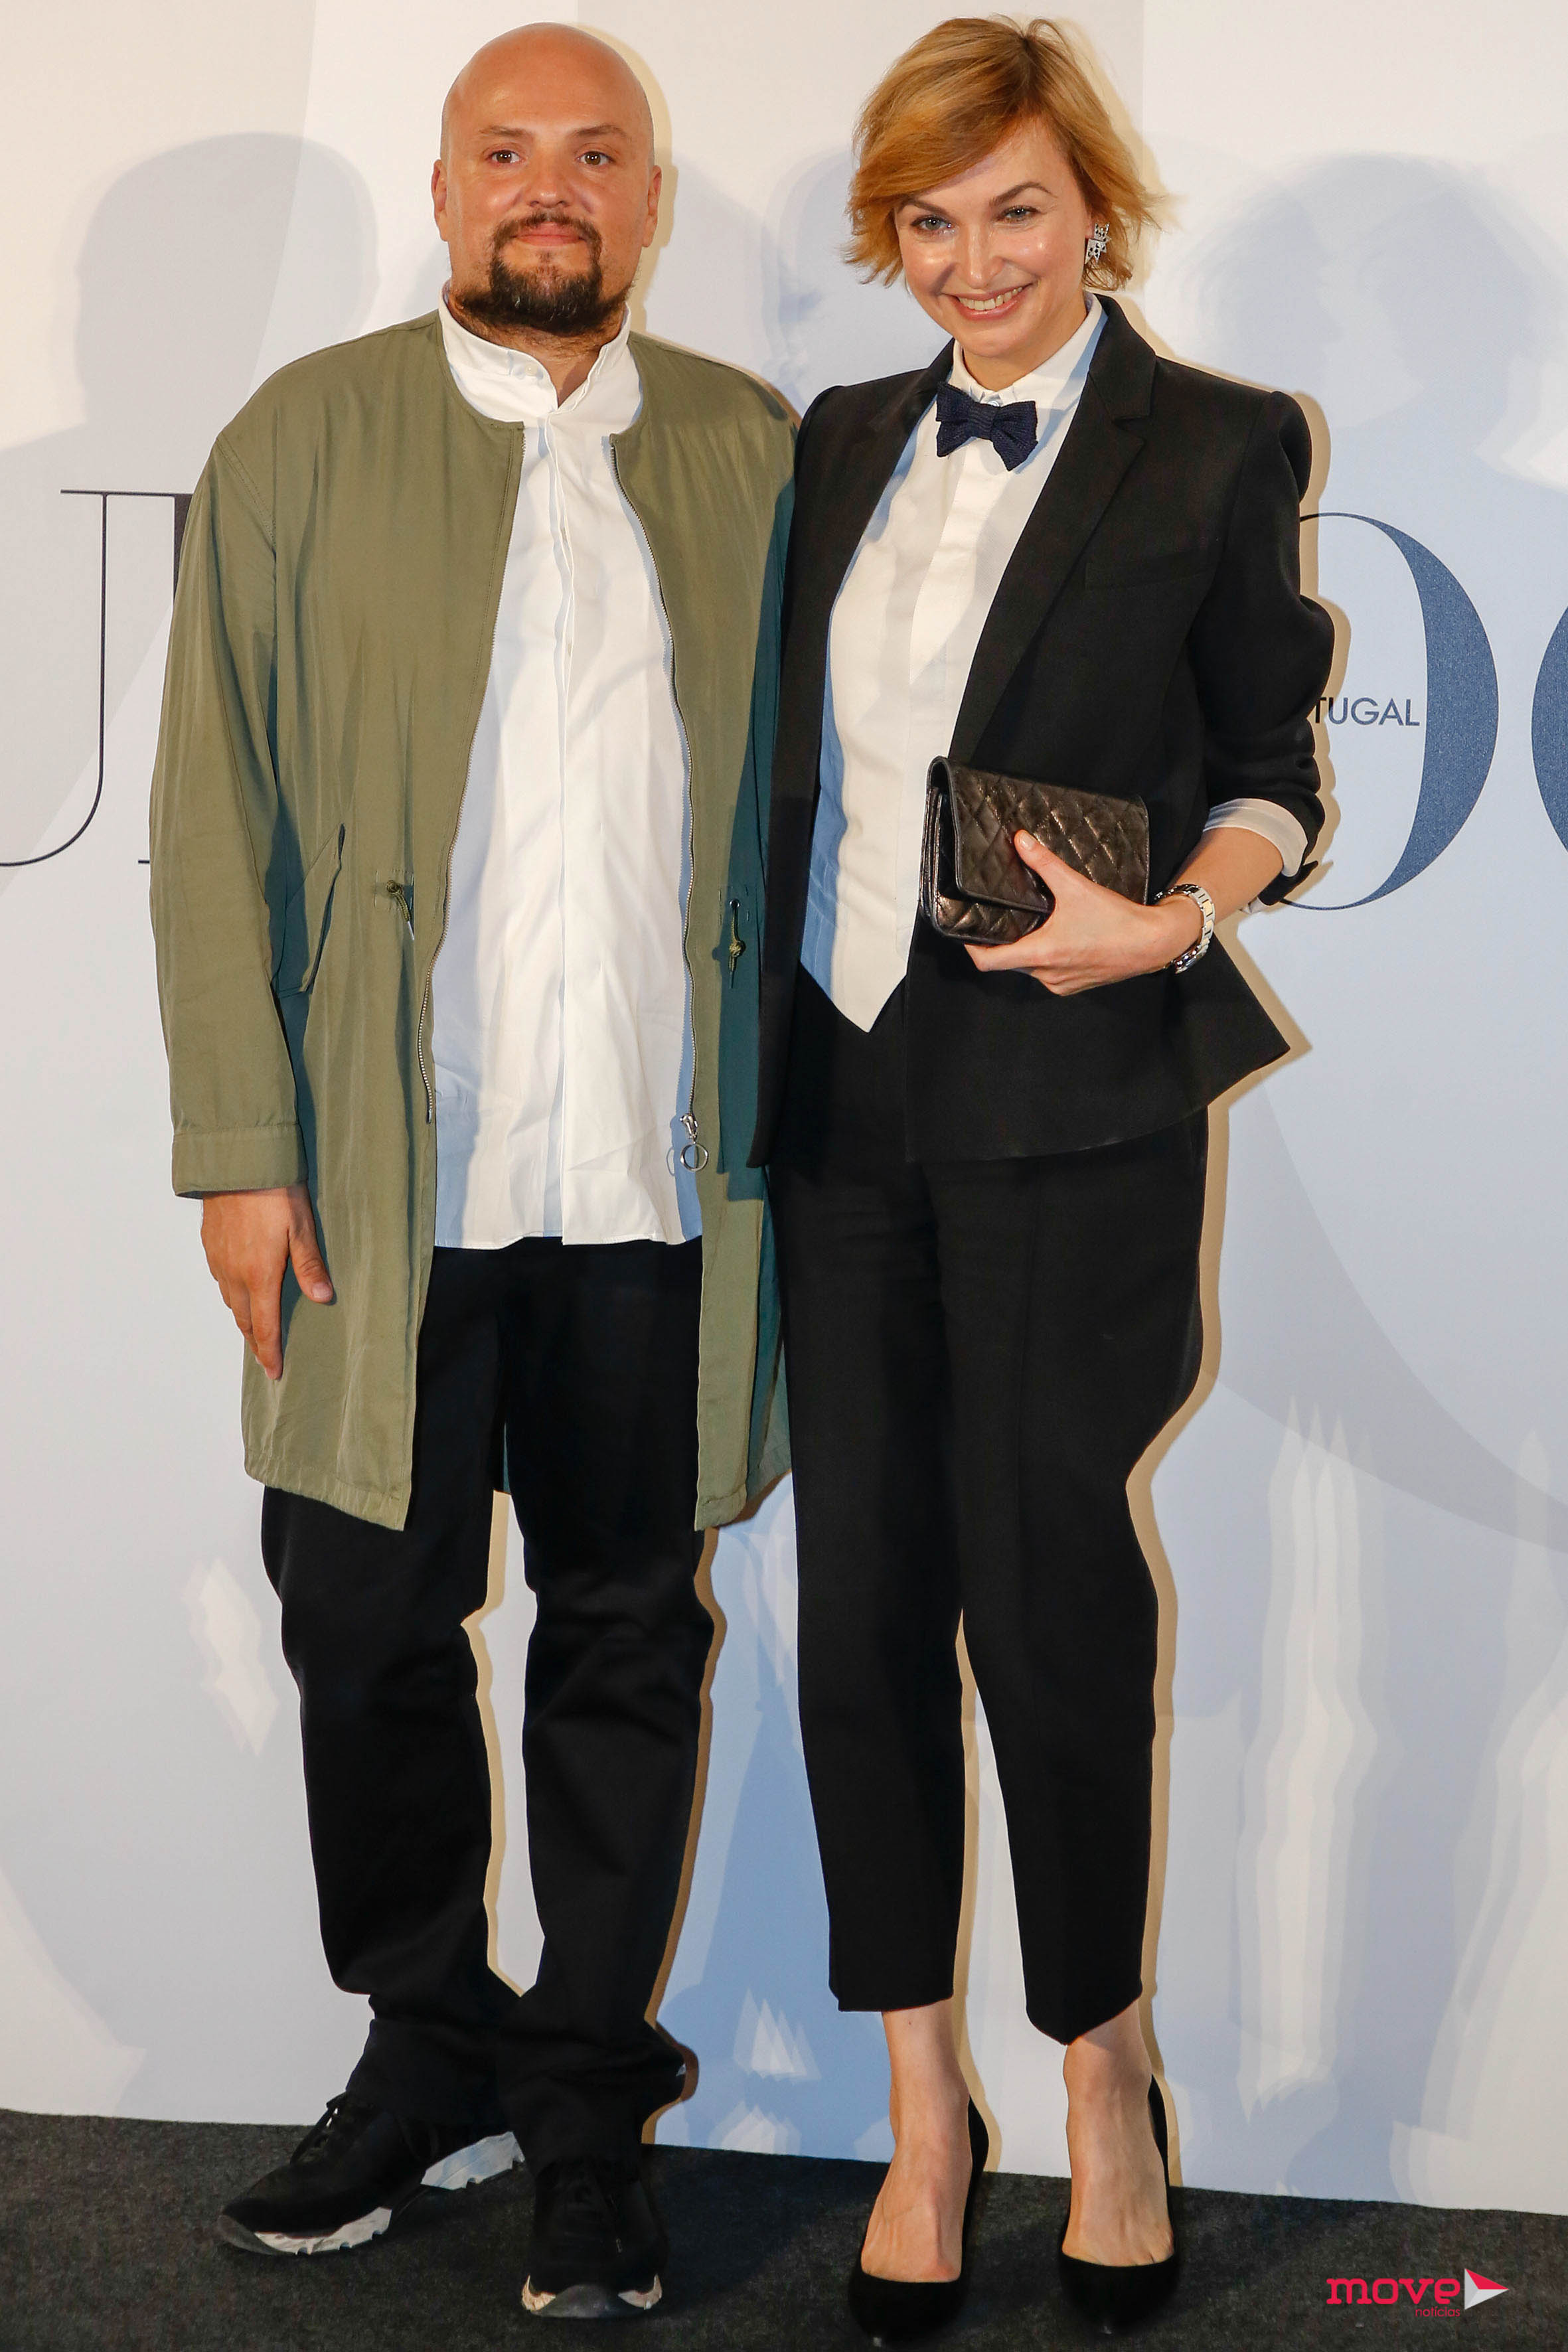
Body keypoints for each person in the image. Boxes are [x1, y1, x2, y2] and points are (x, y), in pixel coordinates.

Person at [149, 23, 791, 2321]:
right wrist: (242, 1149)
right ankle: (425, 2045)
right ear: (440, 192)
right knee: (364, 1633)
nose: (551, 187)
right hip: (376, 1187)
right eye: (506, 151)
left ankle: (590, 2106)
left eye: (595, 154)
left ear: (648, 199)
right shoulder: (301, 435)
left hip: (650, 1189)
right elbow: (210, 815)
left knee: (625, 1640)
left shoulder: (746, 450)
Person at [752, 17, 1334, 2339]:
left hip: (1071, 1102)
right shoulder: (833, 437)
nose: (972, 261)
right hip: (837, 1099)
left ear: (1095, 207)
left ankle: (1101, 2076)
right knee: (862, 1608)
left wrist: (1171, 918)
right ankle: (921, 2106)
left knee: (1048, 1601)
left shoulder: (1213, 442)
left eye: (1014, 209)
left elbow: (1274, 765)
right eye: (928, 220)